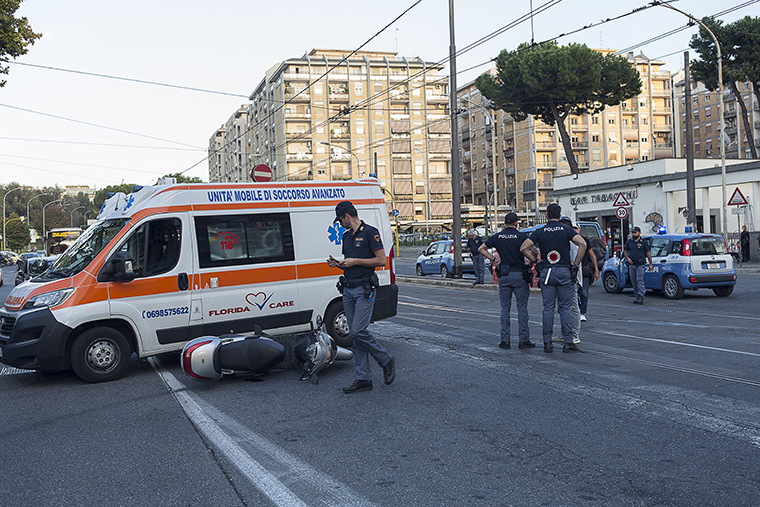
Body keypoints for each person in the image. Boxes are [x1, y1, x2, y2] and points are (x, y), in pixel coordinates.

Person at [327, 201, 395, 393]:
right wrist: (338, 264)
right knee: (355, 336)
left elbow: (381, 260)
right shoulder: (346, 236)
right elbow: (350, 263)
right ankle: (363, 378)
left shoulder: (370, 232)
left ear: (347, 216)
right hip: (348, 288)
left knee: (357, 331)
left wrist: (356, 261)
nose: (340, 224)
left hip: (364, 289)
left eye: (340, 220)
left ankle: (386, 359)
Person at [520, 203, 587, 353]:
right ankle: (568, 342)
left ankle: (547, 342)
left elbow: (523, 247)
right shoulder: (566, 230)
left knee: (548, 308)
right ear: (560, 215)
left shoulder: (540, 231)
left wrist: (536, 260)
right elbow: (582, 244)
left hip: (547, 272)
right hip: (564, 270)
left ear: (547, 216)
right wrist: (576, 264)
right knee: (566, 308)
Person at [478, 212, 535, 350]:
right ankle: (524, 340)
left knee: (505, 308)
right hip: (520, 274)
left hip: (504, 274)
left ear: (504, 223)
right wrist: (531, 262)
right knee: (522, 308)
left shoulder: (498, 236)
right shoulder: (522, 236)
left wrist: (494, 259)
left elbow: (481, 249)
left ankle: (505, 340)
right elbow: (534, 251)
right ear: (516, 223)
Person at [576, 223, 599, 322]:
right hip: (572, 269)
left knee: (584, 292)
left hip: (584, 268)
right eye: (573, 228)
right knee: (573, 293)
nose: (575, 230)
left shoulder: (585, 240)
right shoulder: (568, 240)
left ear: (579, 229)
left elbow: (592, 255)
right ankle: (577, 310)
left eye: (576, 228)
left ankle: (582, 312)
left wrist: (596, 270)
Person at [623, 226, 653, 305]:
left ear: (639, 233)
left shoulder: (643, 242)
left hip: (640, 264)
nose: (633, 234)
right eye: (633, 233)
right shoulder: (630, 241)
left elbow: (648, 253)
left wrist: (650, 264)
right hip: (632, 264)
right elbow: (625, 251)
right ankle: (637, 296)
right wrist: (627, 258)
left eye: (635, 233)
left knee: (639, 280)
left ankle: (641, 296)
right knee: (633, 281)